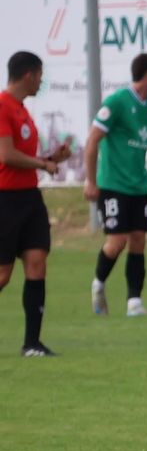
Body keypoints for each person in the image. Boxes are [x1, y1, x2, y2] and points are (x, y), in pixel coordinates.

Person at [84, 54, 147, 318]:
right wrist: (91, 181)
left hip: (139, 186)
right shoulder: (117, 102)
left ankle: (134, 303)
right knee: (117, 241)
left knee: (139, 240)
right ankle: (98, 283)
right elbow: (93, 141)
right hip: (113, 184)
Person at [0, 51, 70, 356]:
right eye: (40, 75)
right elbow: (6, 156)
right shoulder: (2, 106)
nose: (41, 81)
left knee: (37, 264)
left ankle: (32, 343)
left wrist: (51, 159)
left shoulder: (22, 110)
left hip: (30, 198)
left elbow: (25, 160)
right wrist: (44, 165)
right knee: (3, 274)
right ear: (29, 74)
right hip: (5, 200)